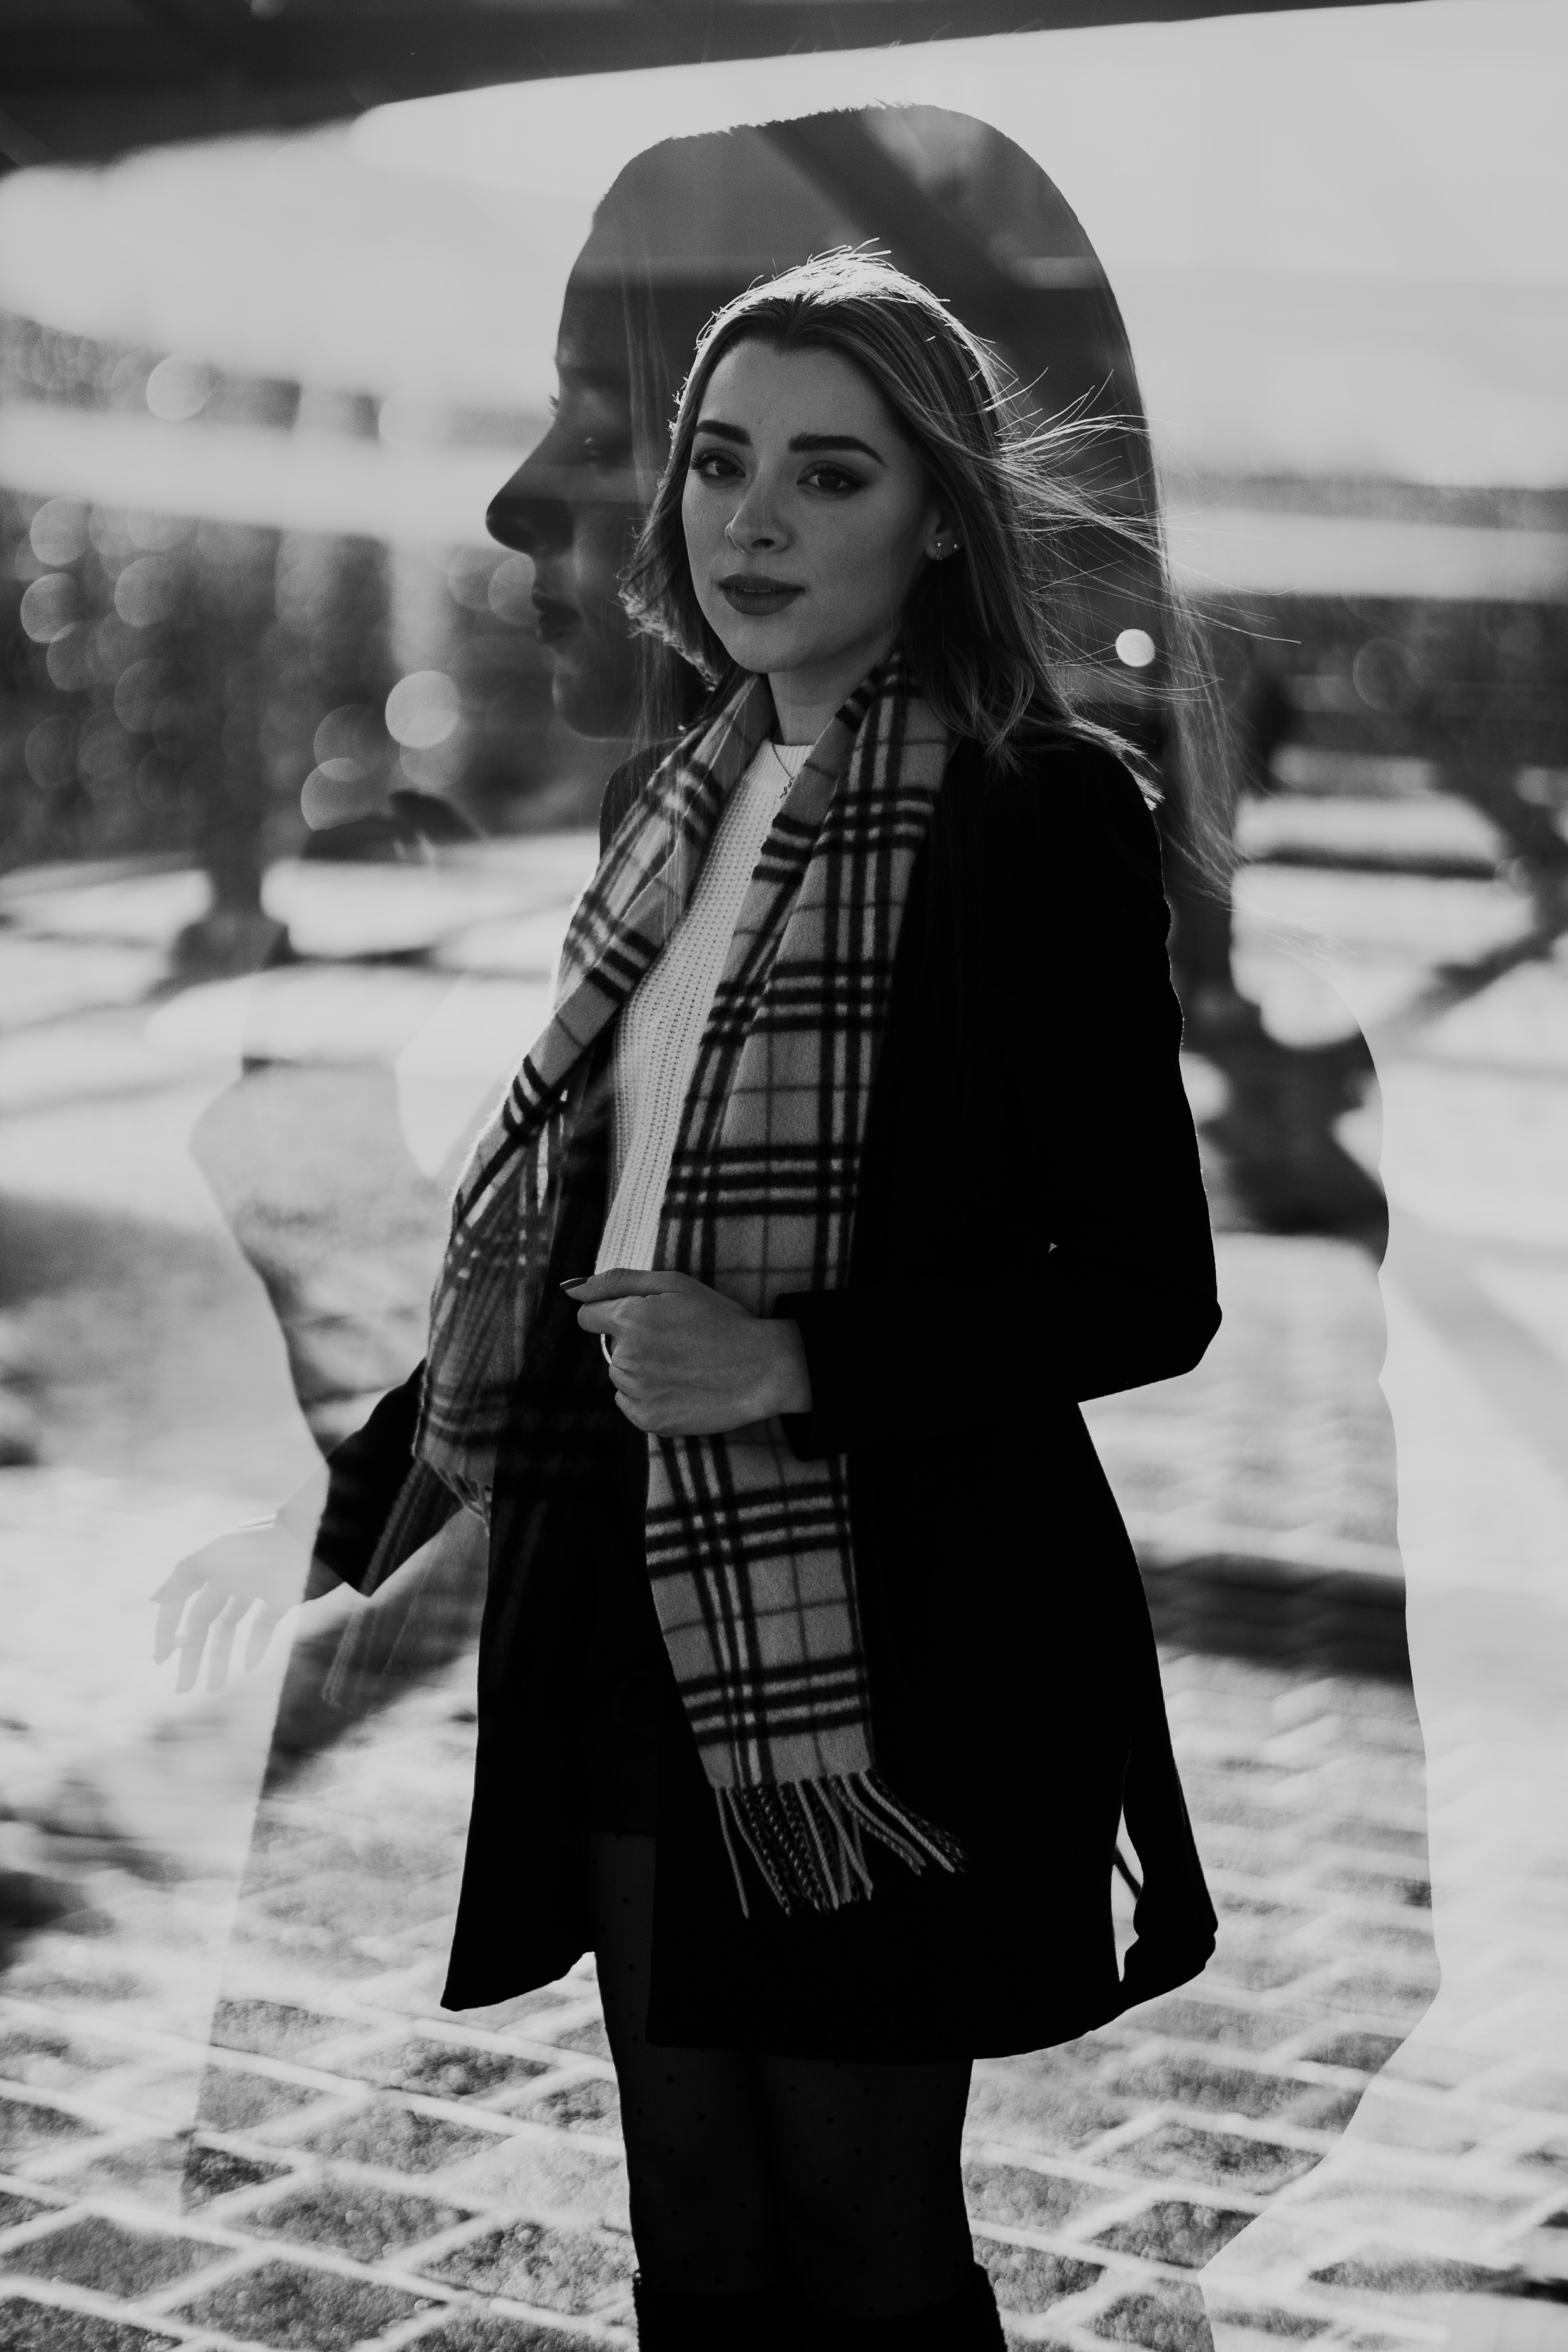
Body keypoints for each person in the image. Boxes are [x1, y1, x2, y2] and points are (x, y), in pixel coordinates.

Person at [156, 253, 1221, 2347]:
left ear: (942, 518)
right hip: (627, 1606)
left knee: (866, 2242)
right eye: (723, 465)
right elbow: (578, 1227)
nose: (754, 521)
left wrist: (790, 1362)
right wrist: (352, 1502)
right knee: (701, 2239)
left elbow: (1145, 1289)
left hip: (893, 1634)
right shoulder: (676, 803)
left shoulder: (1036, 813)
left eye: (831, 476)